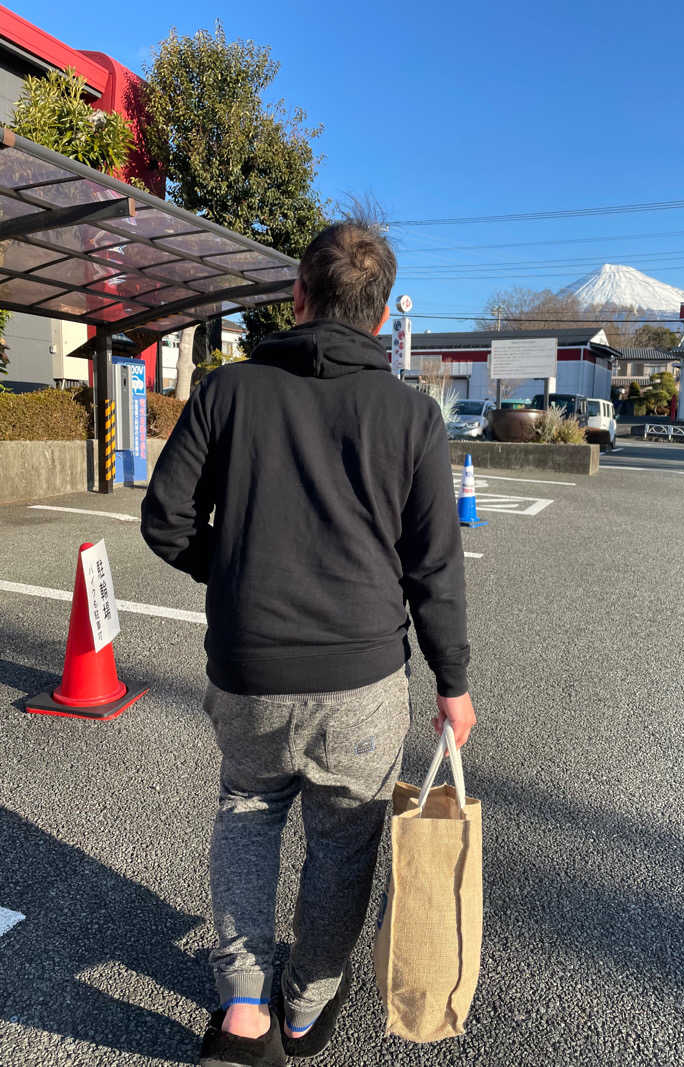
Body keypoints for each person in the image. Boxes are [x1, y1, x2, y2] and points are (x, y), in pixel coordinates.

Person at [140, 212, 476, 1067]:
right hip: (361, 679)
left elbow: (166, 518)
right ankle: (305, 1008)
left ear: (298, 296)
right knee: (342, 840)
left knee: (248, 814)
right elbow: (435, 564)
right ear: (380, 312)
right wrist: (453, 680)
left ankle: (243, 1011)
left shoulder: (229, 390)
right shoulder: (412, 416)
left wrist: (235, 571)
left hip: (247, 669)